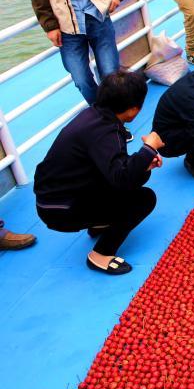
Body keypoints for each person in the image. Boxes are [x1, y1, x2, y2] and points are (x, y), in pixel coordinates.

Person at [34, 71, 161, 275]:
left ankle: (99, 223)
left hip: (52, 198)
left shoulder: (93, 116)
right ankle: (101, 254)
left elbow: (116, 168)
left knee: (132, 184)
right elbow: (123, 179)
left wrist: (144, 163)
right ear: (134, 109)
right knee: (144, 199)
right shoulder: (107, 132)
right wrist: (149, 149)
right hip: (60, 209)